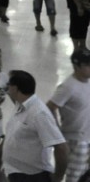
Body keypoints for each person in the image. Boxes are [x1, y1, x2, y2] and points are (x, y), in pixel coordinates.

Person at [2, 70, 68, 182]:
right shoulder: (20, 105)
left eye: (9, 85)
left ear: (16, 88)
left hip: (32, 177)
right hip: (15, 172)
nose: (6, 88)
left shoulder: (39, 113)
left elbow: (61, 147)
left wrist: (57, 178)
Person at [48, 49, 90, 182]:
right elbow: (49, 107)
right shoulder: (68, 87)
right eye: (87, 65)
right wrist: (57, 131)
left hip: (88, 136)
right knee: (74, 175)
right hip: (76, 139)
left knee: (85, 174)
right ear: (76, 66)